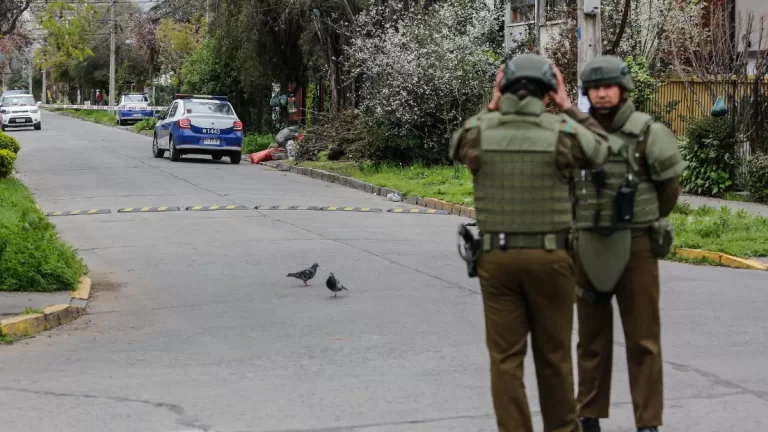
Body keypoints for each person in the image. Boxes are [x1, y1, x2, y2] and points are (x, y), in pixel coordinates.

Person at [449, 53, 611, 432]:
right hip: (552, 258)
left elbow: (457, 143)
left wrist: (491, 103)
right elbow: (604, 149)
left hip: (496, 260)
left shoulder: (480, 131)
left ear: (502, 88)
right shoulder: (563, 134)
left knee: (505, 361)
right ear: (547, 91)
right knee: (554, 358)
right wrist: (568, 105)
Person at [562, 55, 685, 432]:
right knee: (591, 340)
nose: (601, 94)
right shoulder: (573, 136)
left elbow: (669, 190)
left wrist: (642, 220)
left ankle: (648, 423)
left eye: (608, 86)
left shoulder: (648, 132)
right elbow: (563, 187)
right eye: (594, 88)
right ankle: (589, 415)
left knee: (643, 339)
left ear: (623, 89)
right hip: (588, 247)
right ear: (587, 93)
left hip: (637, 247)